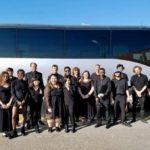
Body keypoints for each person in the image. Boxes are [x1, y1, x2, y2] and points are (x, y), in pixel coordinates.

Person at [10, 69, 28, 138]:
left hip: (24, 101)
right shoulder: (14, 82)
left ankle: (23, 128)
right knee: (14, 116)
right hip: (15, 101)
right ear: (17, 74)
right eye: (19, 73)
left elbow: (27, 92)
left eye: (22, 74)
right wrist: (17, 100)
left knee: (24, 115)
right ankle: (14, 131)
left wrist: (24, 100)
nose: (21, 75)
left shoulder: (25, 82)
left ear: (23, 75)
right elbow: (12, 92)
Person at [0, 71, 13, 137]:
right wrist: (2, 104)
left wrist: (9, 103)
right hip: (1, 104)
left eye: (7, 76)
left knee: (9, 116)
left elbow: (12, 95)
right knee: (2, 117)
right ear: (1, 77)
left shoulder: (10, 84)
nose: (5, 77)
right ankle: (3, 131)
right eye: (4, 76)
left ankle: (9, 130)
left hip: (9, 104)